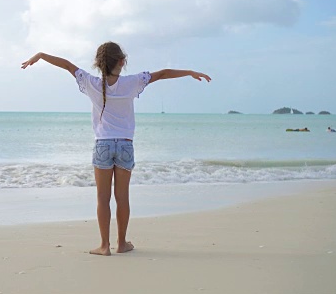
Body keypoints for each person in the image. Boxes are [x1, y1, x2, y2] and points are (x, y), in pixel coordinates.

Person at [21, 41, 211, 256]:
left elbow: (66, 65)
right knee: (122, 197)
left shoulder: (91, 82)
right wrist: (190, 72)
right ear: (122, 61)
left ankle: (104, 246)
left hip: (102, 144)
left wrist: (41, 55)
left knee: (103, 197)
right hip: (125, 145)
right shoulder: (133, 82)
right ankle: (121, 243)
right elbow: (164, 73)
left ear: (99, 63)